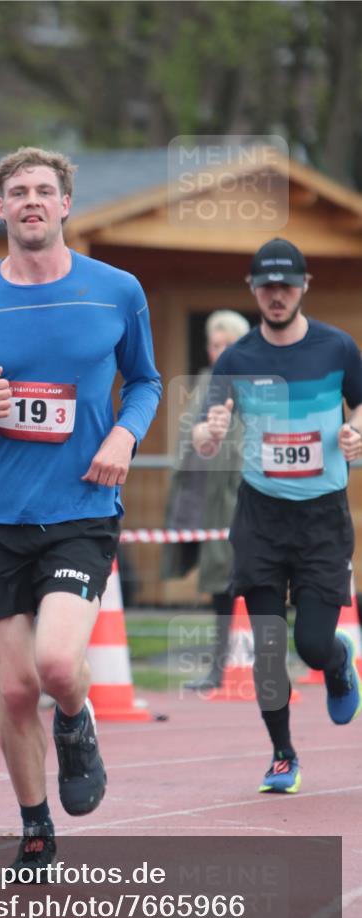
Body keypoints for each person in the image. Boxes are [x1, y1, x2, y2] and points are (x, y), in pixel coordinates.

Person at [0, 146, 161, 876]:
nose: (31, 202)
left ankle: (76, 722)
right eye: (18, 192)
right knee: (13, 688)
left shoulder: (116, 290)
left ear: (65, 204)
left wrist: (122, 433)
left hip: (79, 505)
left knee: (54, 664)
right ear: (0, 209)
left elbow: (144, 380)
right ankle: (35, 824)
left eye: (44, 191)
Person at [193, 237, 362, 794]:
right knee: (268, 648)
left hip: (321, 519)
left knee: (311, 645)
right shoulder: (238, 359)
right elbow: (204, 432)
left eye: (287, 284)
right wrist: (210, 435)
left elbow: (360, 409)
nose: (277, 294)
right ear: (253, 291)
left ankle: (338, 663)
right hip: (261, 517)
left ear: (304, 286)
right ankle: (283, 755)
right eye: (266, 285)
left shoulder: (339, 348)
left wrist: (356, 432)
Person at [161, 310, 249, 690]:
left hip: (237, 500)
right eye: (214, 344)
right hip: (203, 497)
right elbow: (191, 439)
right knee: (219, 585)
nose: (218, 351)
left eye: (226, 344)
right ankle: (220, 668)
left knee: (237, 584)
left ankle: (233, 667)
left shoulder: (250, 386)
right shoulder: (205, 383)